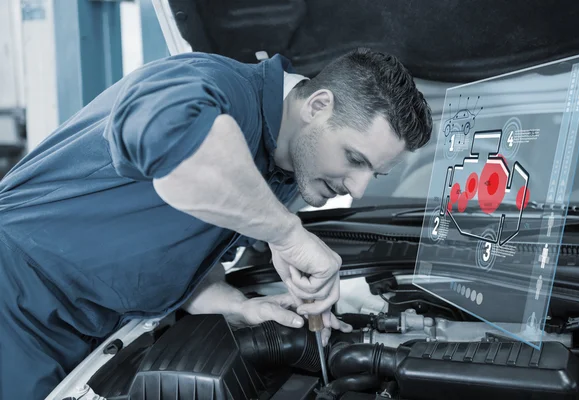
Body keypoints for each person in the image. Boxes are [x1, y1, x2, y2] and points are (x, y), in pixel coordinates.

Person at [0, 47, 432, 399]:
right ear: (318, 106)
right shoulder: (212, 84)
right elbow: (173, 154)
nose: (356, 189)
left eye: (372, 174)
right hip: (17, 299)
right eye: (354, 159)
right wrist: (285, 232)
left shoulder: (284, 169)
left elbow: (187, 245)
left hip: (92, 331)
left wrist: (235, 305)